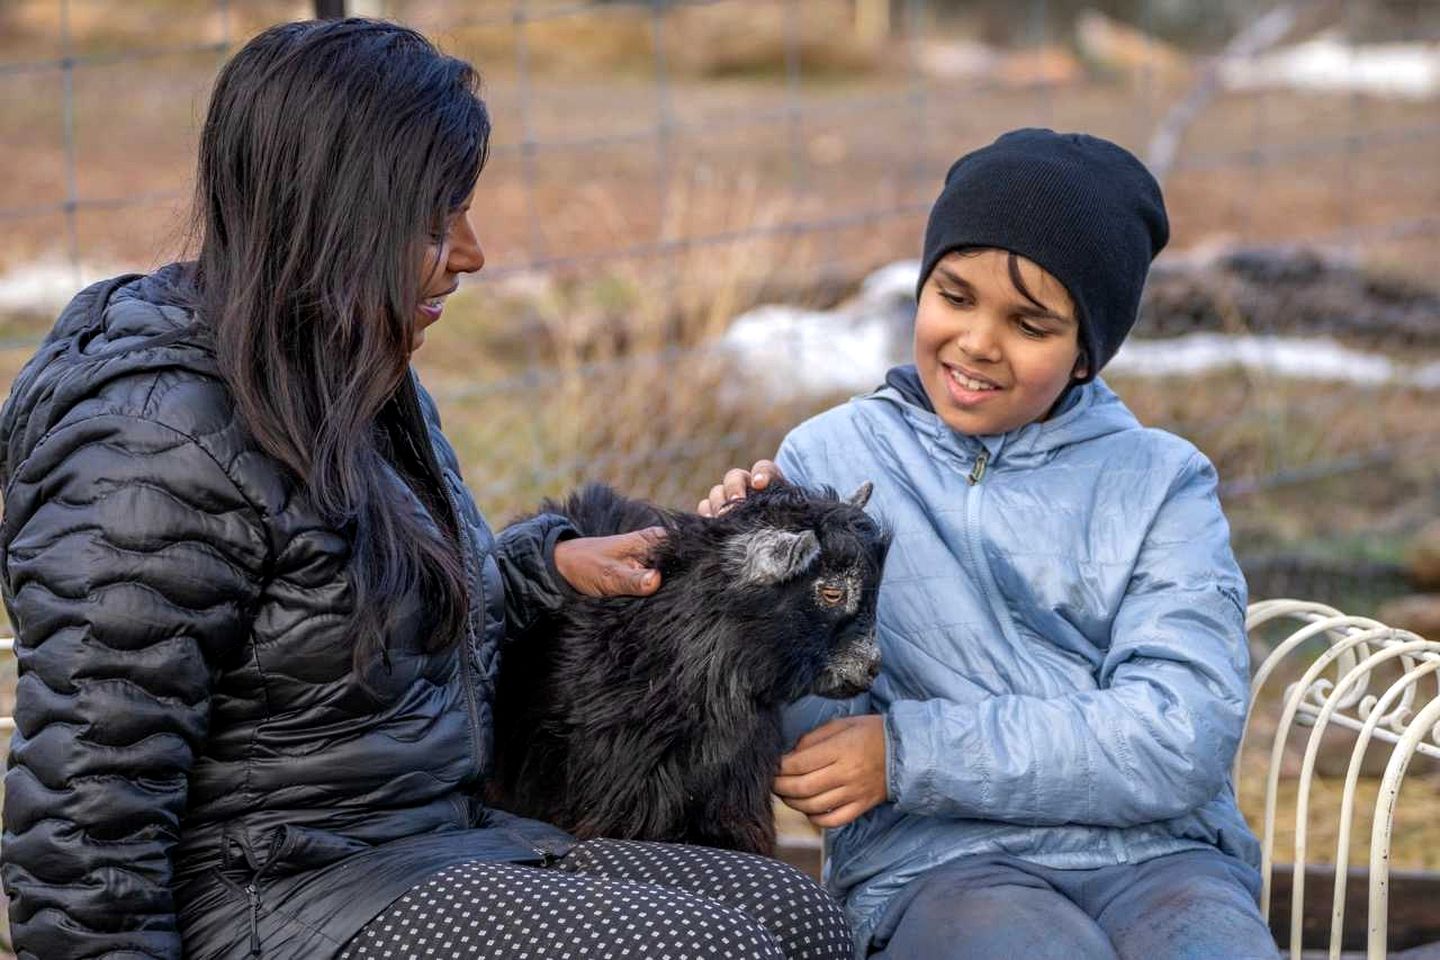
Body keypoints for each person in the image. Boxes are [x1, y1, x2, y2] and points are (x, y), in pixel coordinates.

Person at [0, 18, 853, 960]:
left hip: (415, 845)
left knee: (798, 916)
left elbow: (345, 600)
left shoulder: (350, 369)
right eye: (435, 217)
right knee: (705, 949)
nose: (472, 253)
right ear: (331, 213)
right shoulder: (151, 439)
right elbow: (87, 820)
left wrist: (541, 569)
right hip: (273, 900)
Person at [701, 129, 1279, 959]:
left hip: (1162, 862)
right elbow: (810, 741)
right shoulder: (829, 462)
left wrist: (911, 756)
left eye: (1030, 323)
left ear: (1087, 353)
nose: (977, 341)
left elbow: (1178, 734)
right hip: (939, 870)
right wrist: (747, 582)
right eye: (955, 295)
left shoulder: (1160, 484)